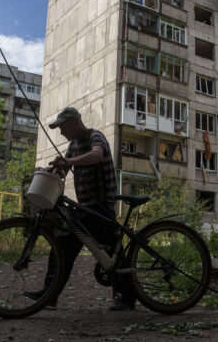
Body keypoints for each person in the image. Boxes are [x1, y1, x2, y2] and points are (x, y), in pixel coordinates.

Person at [24, 107, 136, 311]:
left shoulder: (95, 136)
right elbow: (65, 168)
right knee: (63, 245)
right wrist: (50, 170)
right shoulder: (74, 145)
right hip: (86, 208)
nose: (61, 132)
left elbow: (96, 156)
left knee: (112, 252)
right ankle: (49, 295)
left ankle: (126, 299)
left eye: (63, 127)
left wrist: (69, 161)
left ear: (75, 122)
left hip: (101, 206)